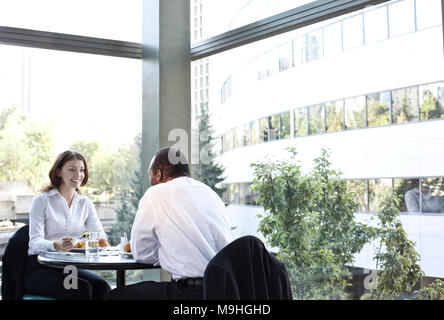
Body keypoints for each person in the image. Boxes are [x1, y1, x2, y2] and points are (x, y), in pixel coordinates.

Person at [106, 147, 233, 300]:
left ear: (158, 174)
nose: (150, 181)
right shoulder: (209, 192)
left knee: (113, 297)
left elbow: (141, 253)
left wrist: (164, 250)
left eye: (150, 175)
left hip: (189, 294)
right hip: (226, 291)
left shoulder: (156, 193)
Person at [24, 150, 111, 300]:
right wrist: (55, 245)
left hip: (70, 268)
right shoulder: (42, 201)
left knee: (101, 287)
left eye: (81, 170)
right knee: (80, 289)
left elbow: (101, 238)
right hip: (41, 268)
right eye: (72, 169)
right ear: (58, 172)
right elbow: (34, 243)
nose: (78, 175)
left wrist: (83, 243)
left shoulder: (85, 203)